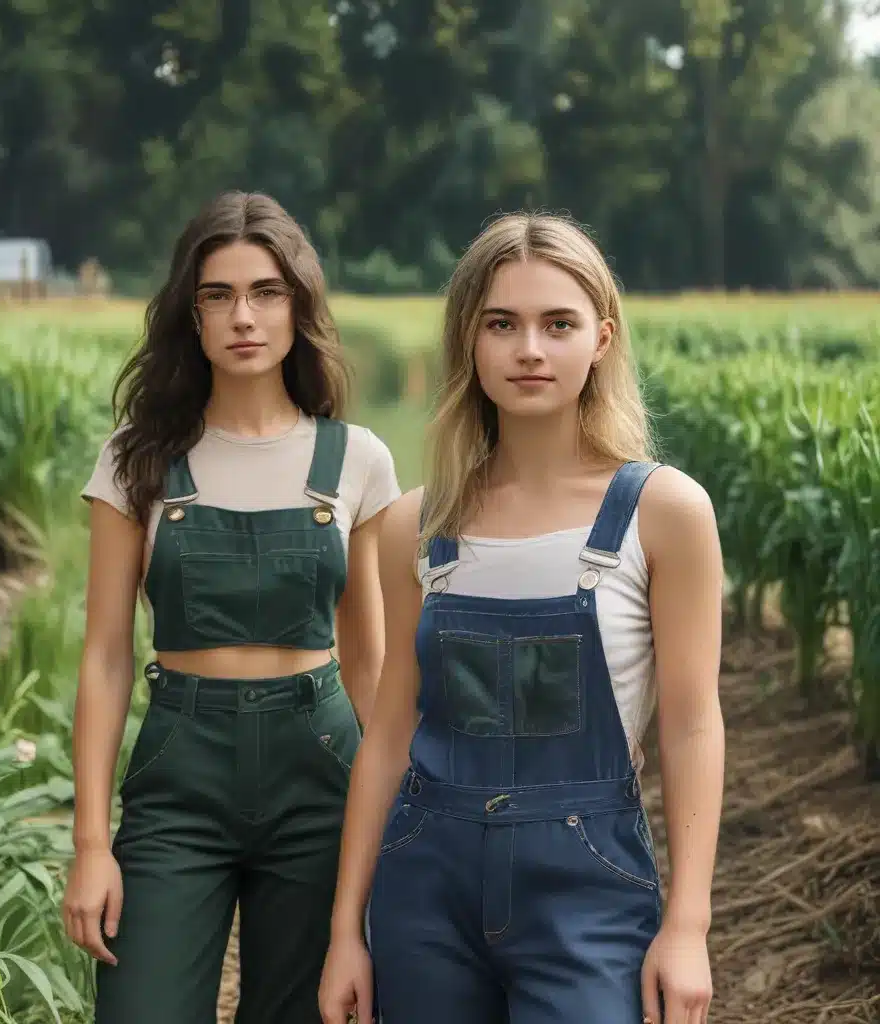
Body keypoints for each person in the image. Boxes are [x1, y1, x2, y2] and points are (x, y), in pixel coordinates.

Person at [318, 211, 725, 1024]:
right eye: (502, 323)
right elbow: (392, 733)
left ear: (601, 339)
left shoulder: (663, 512)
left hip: (587, 889)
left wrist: (688, 926)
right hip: (423, 887)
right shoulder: (416, 526)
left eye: (558, 324)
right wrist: (344, 932)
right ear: (469, 340)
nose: (529, 349)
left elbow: (690, 724)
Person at [61, 190, 402, 1024]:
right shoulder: (138, 459)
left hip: (321, 766)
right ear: (191, 314)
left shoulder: (355, 458)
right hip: (181, 769)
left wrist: (393, 829)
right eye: (218, 295)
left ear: (299, 307)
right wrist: (90, 845)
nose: (243, 316)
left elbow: (372, 666)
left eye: (266, 293)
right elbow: (106, 657)